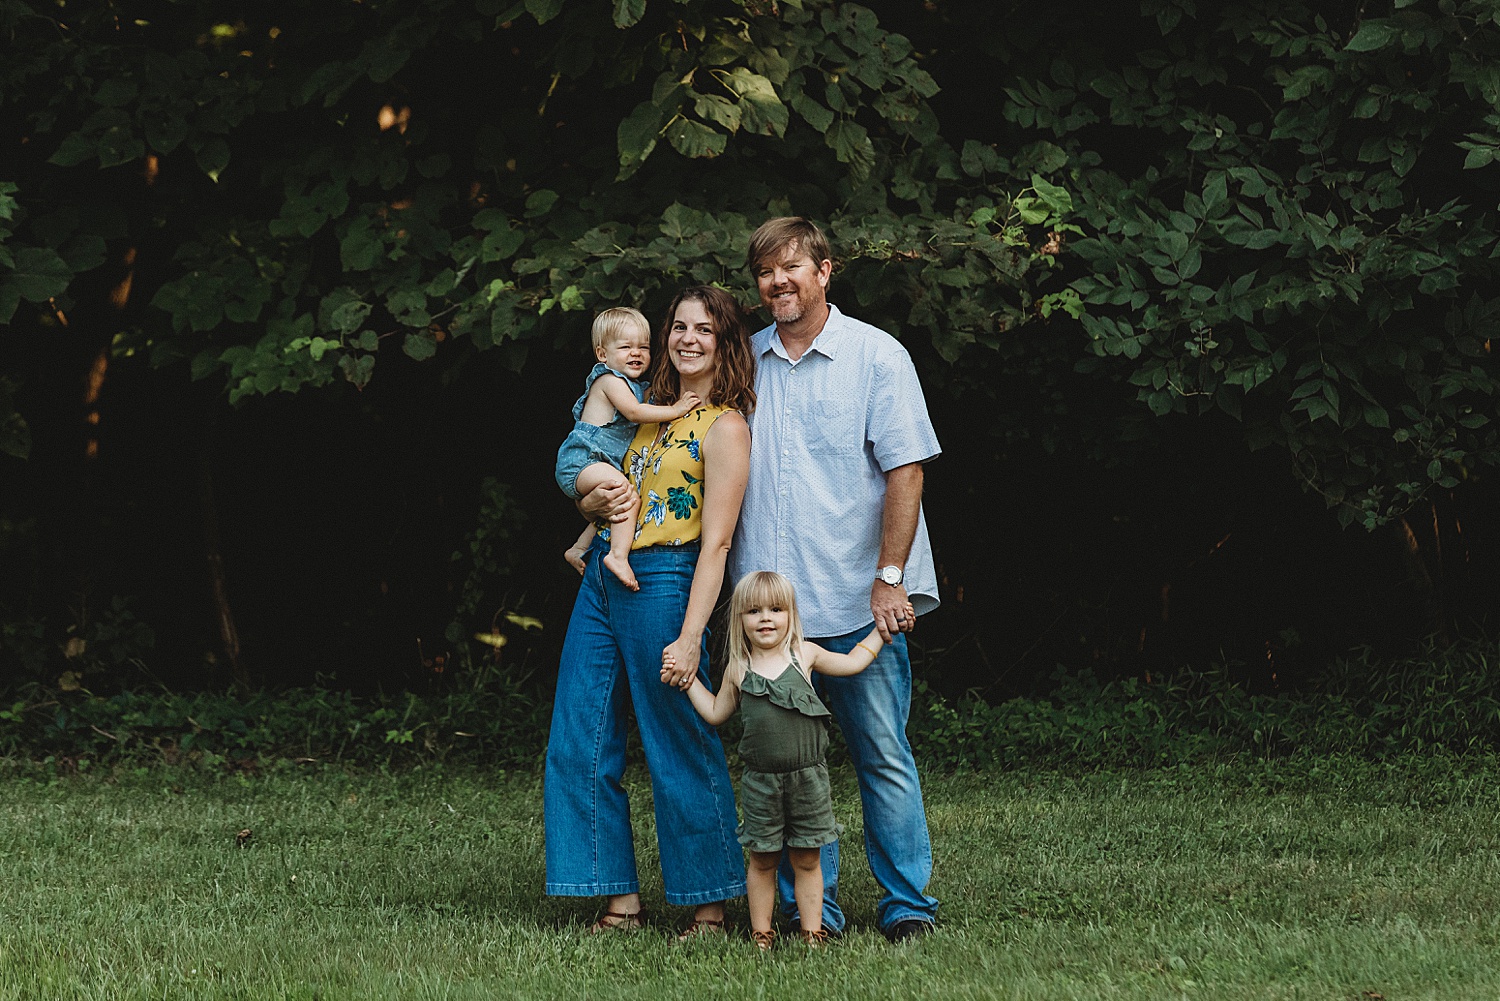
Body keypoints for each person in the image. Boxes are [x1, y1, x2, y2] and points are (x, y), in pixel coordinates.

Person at [727, 216, 942, 943]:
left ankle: (908, 906)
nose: (778, 282)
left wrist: (890, 579)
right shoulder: (741, 364)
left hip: (857, 603)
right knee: (788, 769)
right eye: (765, 271)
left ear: (826, 271)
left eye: (792, 267)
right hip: (773, 623)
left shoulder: (876, 357)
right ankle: (810, 911)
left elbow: (906, 470)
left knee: (882, 755)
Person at [546, 286, 757, 938]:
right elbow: (604, 487)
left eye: (703, 329)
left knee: (676, 736)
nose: (687, 338)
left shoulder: (724, 424)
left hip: (666, 578)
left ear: (724, 340)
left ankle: (710, 903)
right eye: (678, 326)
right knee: (577, 732)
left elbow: (717, 541)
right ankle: (617, 896)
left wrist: (693, 635)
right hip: (607, 579)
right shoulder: (646, 412)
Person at [663, 570, 912, 950]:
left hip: (807, 779)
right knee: (762, 860)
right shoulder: (738, 668)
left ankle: (812, 933)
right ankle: (762, 934)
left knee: (807, 859)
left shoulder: (804, 655)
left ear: (791, 614)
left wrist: (880, 632)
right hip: (760, 782)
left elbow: (852, 663)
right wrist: (687, 679)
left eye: (776, 609)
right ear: (740, 620)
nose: (766, 618)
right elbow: (715, 713)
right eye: (754, 611)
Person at [556, 306, 702, 591]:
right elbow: (635, 413)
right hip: (582, 461)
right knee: (628, 496)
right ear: (602, 354)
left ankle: (578, 547)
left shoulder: (635, 385)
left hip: (597, 463)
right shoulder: (609, 381)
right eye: (625, 347)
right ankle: (618, 556)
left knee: (611, 505)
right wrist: (676, 409)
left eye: (643, 347)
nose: (636, 353)